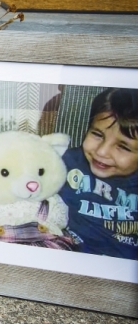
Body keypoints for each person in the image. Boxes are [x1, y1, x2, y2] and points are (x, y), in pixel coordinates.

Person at [59, 88, 138, 260]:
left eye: (123, 147)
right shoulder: (65, 163)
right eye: (97, 134)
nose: (102, 152)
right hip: (65, 259)